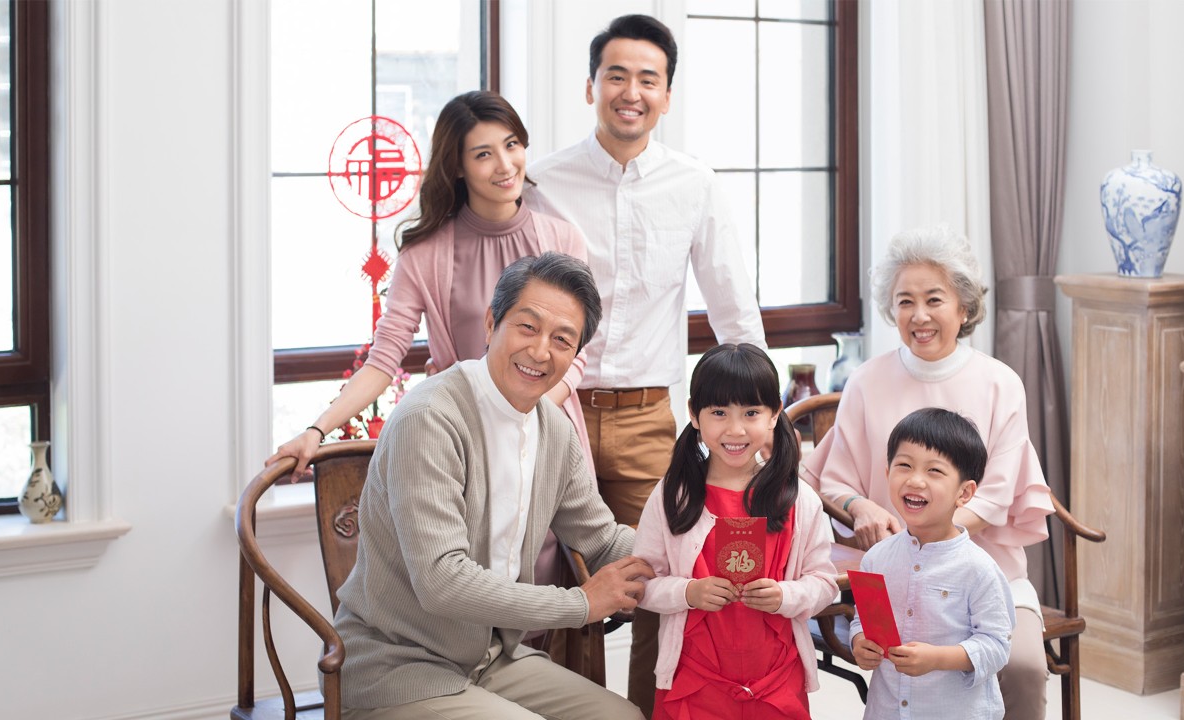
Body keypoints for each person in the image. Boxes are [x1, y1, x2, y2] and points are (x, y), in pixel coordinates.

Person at [523, 15, 767, 714]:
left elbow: (734, 314)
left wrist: (758, 418)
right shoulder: (543, 181)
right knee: (545, 587)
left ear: (666, 94)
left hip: (644, 420)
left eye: (647, 80)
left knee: (660, 578)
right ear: (591, 86)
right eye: (617, 76)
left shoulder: (695, 184)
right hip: (551, 412)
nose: (631, 92)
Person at [334, 252, 652, 719]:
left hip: (490, 660)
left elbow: (602, 539)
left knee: (623, 717)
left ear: (575, 355)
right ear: (490, 324)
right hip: (396, 668)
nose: (541, 351)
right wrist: (580, 604)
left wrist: (698, 552)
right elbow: (441, 582)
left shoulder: (554, 428)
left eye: (562, 340)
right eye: (527, 327)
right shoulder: (430, 419)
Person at [268, 90, 593, 482]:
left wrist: (519, 415)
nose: (506, 165)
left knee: (555, 541)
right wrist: (316, 430)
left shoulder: (564, 239)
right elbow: (384, 358)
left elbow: (575, 356)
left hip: (545, 437)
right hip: (464, 441)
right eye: (483, 154)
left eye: (511, 145)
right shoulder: (425, 254)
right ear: (458, 167)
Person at [801, 223, 1055, 720]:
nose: (919, 316)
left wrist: (928, 531)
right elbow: (833, 479)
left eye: (934, 299)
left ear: (963, 306)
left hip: (987, 574)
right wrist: (863, 506)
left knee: (1024, 668)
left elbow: (995, 496)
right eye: (904, 301)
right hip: (894, 577)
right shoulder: (867, 381)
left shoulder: (1000, 383)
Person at [632, 343, 838, 720]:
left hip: (777, 678)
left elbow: (825, 584)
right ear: (694, 415)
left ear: (775, 414)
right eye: (719, 412)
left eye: (752, 412)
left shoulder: (798, 500)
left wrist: (784, 595)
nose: (735, 429)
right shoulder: (673, 496)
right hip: (694, 679)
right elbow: (642, 583)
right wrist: (688, 592)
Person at [850, 407, 1015, 720]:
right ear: (887, 474)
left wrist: (938, 658)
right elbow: (863, 619)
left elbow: (996, 647)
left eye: (934, 471)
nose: (915, 480)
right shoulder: (876, 559)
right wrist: (860, 642)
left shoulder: (978, 569)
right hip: (887, 710)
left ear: (964, 493)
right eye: (904, 465)